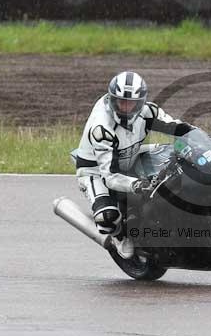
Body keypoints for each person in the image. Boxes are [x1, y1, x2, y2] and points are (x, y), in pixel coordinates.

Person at [71, 71, 194, 258]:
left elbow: (177, 127)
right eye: (122, 102)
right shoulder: (102, 128)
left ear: (141, 102)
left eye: (132, 103)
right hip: (96, 170)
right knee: (107, 218)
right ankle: (119, 237)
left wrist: (203, 139)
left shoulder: (147, 111)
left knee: (179, 152)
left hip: (132, 153)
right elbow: (110, 176)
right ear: (113, 100)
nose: (127, 108)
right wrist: (137, 184)